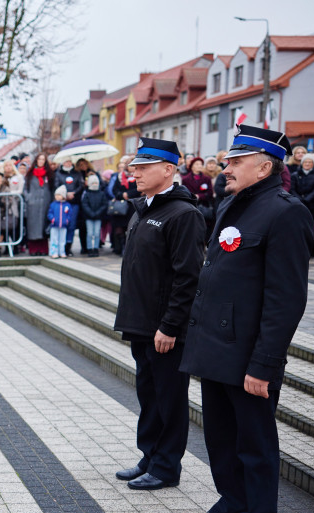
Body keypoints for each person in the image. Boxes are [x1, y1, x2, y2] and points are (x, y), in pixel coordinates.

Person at [179, 125, 313, 513]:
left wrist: (265, 364)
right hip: (217, 345)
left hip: (250, 355)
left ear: (264, 165)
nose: (225, 167)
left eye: (235, 161)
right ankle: (232, 504)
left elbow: (285, 298)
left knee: (254, 443)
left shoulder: (285, 212)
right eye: (227, 160)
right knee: (220, 436)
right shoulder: (232, 206)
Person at [113, 138, 204, 491]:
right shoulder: (144, 209)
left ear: (168, 170)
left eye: (143, 167)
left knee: (169, 398)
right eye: (134, 167)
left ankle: (167, 466)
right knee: (148, 395)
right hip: (141, 323)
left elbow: (188, 277)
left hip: (165, 330)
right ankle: (150, 455)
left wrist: (170, 325)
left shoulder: (183, 214)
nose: (134, 173)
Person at [291, 154, 314, 257]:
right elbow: (292, 189)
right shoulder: (295, 175)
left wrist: (307, 199)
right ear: (302, 163)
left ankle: (313, 250)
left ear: (313, 164)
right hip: (298, 205)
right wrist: (300, 200)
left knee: (313, 230)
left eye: (310, 162)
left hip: (312, 206)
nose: (307, 164)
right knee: (298, 229)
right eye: (305, 162)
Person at [23, 154, 52, 256]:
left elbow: (52, 188)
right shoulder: (30, 174)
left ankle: (43, 249)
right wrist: (29, 198)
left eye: (43, 159)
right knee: (33, 227)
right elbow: (25, 189)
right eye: (39, 159)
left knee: (43, 227)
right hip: (33, 205)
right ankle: (34, 249)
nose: (41, 161)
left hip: (45, 204)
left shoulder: (49, 174)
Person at [109, 156, 139, 255]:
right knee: (119, 229)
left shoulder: (138, 176)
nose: (131, 167)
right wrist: (122, 195)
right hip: (121, 206)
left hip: (132, 206)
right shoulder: (120, 176)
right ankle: (121, 247)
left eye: (133, 165)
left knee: (131, 228)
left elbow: (140, 189)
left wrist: (129, 194)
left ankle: (128, 248)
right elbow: (115, 190)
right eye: (130, 165)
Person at [54, 158, 84, 256]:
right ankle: (61, 247)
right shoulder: (58, 173)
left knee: (72, 224)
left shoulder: (77, 173)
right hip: (62, 202)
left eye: (70, 161)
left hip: (74, 202)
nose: (68, 163)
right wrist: (65, 194)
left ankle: (68, 246)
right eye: (66, 161)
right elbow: (56, 185)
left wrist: (74, 193)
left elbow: (81, 185)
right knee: (63, 224)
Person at [80, 174, 107, 257]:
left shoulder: (101, 193)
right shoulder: (87, 194)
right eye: (93, 183)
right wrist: (91, 213)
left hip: (98, 217)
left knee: (96, 233)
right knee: (90, 233)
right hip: (89, 217)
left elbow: (104, 204)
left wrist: (97, 213)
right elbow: (84, 205)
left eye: (96, 183)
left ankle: (95, 248)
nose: (95, 184)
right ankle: (89, 248)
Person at [46, 186, 75, 259]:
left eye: (59, 195)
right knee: (54, 239)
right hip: (54, 225)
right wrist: (52, 219)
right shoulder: (53, 204)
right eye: (56, 195)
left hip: (63, 225)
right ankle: (54, 252)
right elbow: (50, 213)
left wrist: (67, 220)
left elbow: (70, 214)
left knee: (62, 239)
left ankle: (62, 252)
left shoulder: (67, 205)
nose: (57, 196)